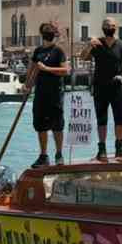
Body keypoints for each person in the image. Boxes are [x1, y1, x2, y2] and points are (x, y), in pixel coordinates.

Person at [82, 18, 122, 160]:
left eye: (111, 25)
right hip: (100, 86)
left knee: (119, 118)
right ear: (102, 27)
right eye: (106, 25)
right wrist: (88, 45)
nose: (109, 27)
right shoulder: (96, 44)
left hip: (116, 85)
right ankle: (102, 149)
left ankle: (119, 147)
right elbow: (83, 57)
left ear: (116, 27)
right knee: (101, 119)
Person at [29, 22, 70, 167]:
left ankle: (59, 154)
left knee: (57, 125)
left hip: (55, 94)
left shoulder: (58, 51)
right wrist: (27, 85)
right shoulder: (38, 51)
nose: (48, 34)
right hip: (40, 93)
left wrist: (46, 68)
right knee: (40, 126)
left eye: (49, 32)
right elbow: (32, 69)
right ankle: (43, 155)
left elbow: (65, 71)